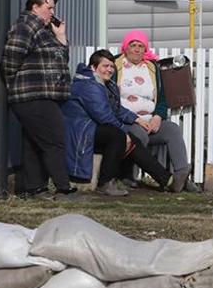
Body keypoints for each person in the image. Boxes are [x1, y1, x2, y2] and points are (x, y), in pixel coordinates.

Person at [63, 49, 173, 196]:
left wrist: (136, 119)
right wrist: (124, 132)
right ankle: (105, 182)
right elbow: (104, 115)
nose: (109, 70)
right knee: (118, 136)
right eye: (105, 66)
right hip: (81, 132)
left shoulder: (105, 84)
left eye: (111, 66)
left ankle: (167, 179)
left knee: (132, 140)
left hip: (92, 128)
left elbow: (117, 108)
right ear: (93, 67)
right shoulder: (89, 85)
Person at [0, 0, 76, 200]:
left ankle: (34, 188)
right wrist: (14, 82)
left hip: (43, 94)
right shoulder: (26, 26)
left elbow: (61, 60)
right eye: (48, 7)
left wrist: (61, 36)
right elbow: (11, 57)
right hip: (32, 94)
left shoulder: (45, 31)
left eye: (53, 8)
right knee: (55, 139)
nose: (52, 12)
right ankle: (63, 187)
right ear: (35, 7)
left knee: (34, 142)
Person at [114, 30, 195, 193]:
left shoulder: (152, 67)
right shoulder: (115, 65)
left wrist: (157, 117)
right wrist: (135, 119)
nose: (137, 49)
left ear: (145, 49)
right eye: (133, 45)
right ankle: (126, 175)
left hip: (150, 120)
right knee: (140, 135)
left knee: (172, 129)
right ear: (125, 47)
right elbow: (111, 99)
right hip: (127, 121)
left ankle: (181, 176)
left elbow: (162, 97)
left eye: (140, 46)